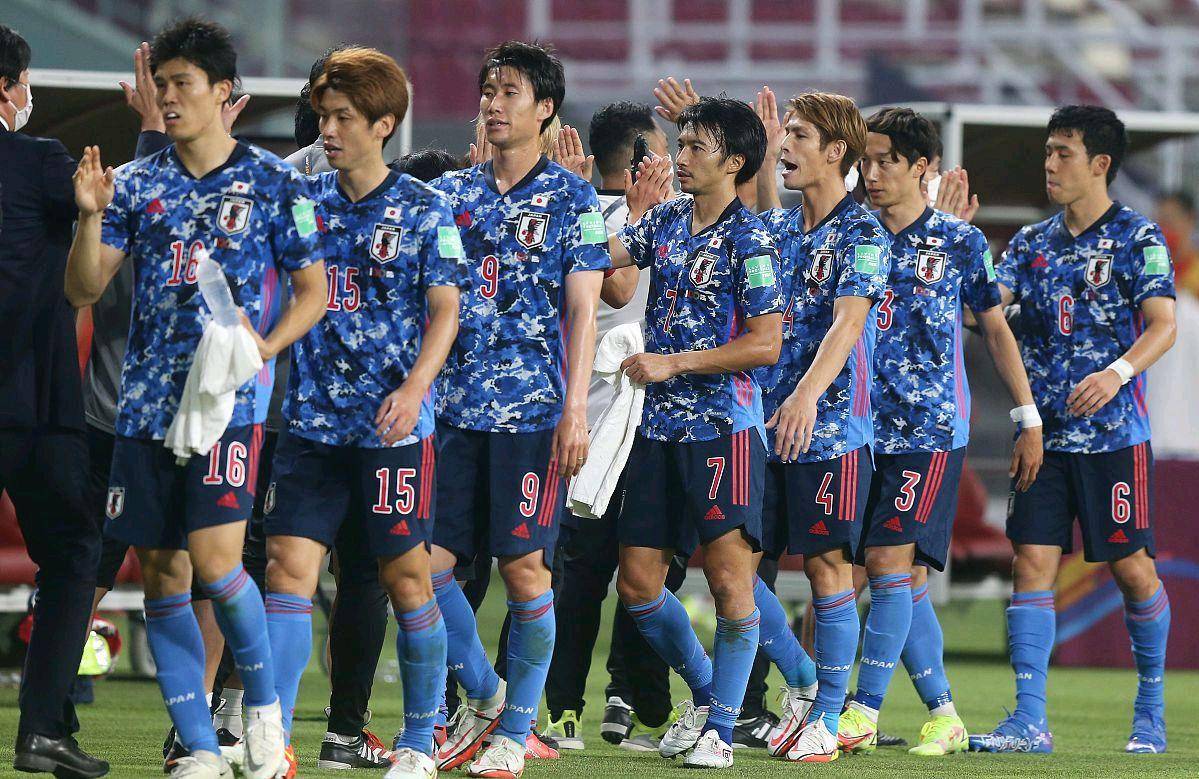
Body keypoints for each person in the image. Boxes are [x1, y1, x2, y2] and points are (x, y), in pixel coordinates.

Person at [64, 17, 327, 779]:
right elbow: (83, 288)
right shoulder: (135, 182)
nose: (170, 98)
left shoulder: (276, 182)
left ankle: (263, 713)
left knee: (217, 563)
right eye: (163, 85)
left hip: (227, 406)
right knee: (163, 573)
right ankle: (199, 747)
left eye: (183, 84)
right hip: (143, 409)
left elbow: (312, 292)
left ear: (222, 92)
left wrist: (263, 351)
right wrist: (89, 217)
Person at [260, 47, 464, 779]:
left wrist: (414, 389)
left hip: (392, 432)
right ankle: (273, 738)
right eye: (323, 116)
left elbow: (447, 310)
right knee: (286, 571)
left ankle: (418, 740)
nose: (328, 130)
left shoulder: (426, 209)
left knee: (406, 579)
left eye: (343, 117)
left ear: (384, 124)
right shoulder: (299, 201)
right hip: (311, 424)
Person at [834, 106, 1042, 756]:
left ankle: (861, 712)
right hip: (859, 430)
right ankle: (945, 714)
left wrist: (1027, 415)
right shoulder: (850, 234)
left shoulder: (957, 242)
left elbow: (995, 329)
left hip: (928, 429)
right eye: (865, 161)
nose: (870, 173)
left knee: (885, 563)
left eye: (884, 161)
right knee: (904, 581)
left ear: (920, 167)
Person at [971, 105, 1176, 755]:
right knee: (1030, 562)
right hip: (1043, 436)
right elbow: (985, 314)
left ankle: (1150, 710)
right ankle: (1029, 720)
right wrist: (955, 248)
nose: (1049, 163)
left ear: (1100, 164)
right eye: (1047, 151)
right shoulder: (1031, 243)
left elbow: (1163, 324)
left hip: (1114, 437)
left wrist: (1116, 373)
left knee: (1131, 568)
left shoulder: (1137, 237)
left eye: (1063, 152)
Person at [428, 41, 608, 779]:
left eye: (510, 92)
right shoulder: (449, 195)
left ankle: (515, 734)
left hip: (532, 416)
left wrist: (575, 410)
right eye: (488, 91)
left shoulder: (575, 201)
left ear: (546, 109)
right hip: (450, 414)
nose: (493, 103)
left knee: (525, 570)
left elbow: (585, 311)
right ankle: (487, 695)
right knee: (424, 569)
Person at [605, 96, 783, 770]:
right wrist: (583, 207)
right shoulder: (666, 220)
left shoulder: (752, 239)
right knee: (637, 584)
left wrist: (672, 362)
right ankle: (711, 698)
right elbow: (602, 259)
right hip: (659, 430)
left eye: (695, 147)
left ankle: (723, 731)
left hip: (723, 430)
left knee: (732, 586)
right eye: (679, 146)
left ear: (733, 162)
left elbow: (765, 343)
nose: (679, 158)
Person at [540, 104, 687, 753]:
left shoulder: (658, 216)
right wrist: (635, 213)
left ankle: (594, 704)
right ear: (637, 164)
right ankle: (599, 702)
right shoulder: (608, 219)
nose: (673, 165)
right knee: (612, 568)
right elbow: (621, 291)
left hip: (632, 421)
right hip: (609, 424)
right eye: (664, 152)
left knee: (618, 569)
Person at [752, 87, 890, 762]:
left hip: (829, 428)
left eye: (799, 135)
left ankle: (828, 718)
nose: (786, 145)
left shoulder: (863, 233)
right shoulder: (779, 231)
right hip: (760, 424)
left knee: (825, 566)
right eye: (785, 134)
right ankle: (806, 683)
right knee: (734, 563)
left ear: (836, 151)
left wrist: (806, 397)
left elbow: (848, 322)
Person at [0, 23, 109, 779]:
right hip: (30, 403)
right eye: (25, 83)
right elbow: (105, 225)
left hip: (30, 403)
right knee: (73, 552)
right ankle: (41, 730)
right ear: (7, 90)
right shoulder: (39, 162)